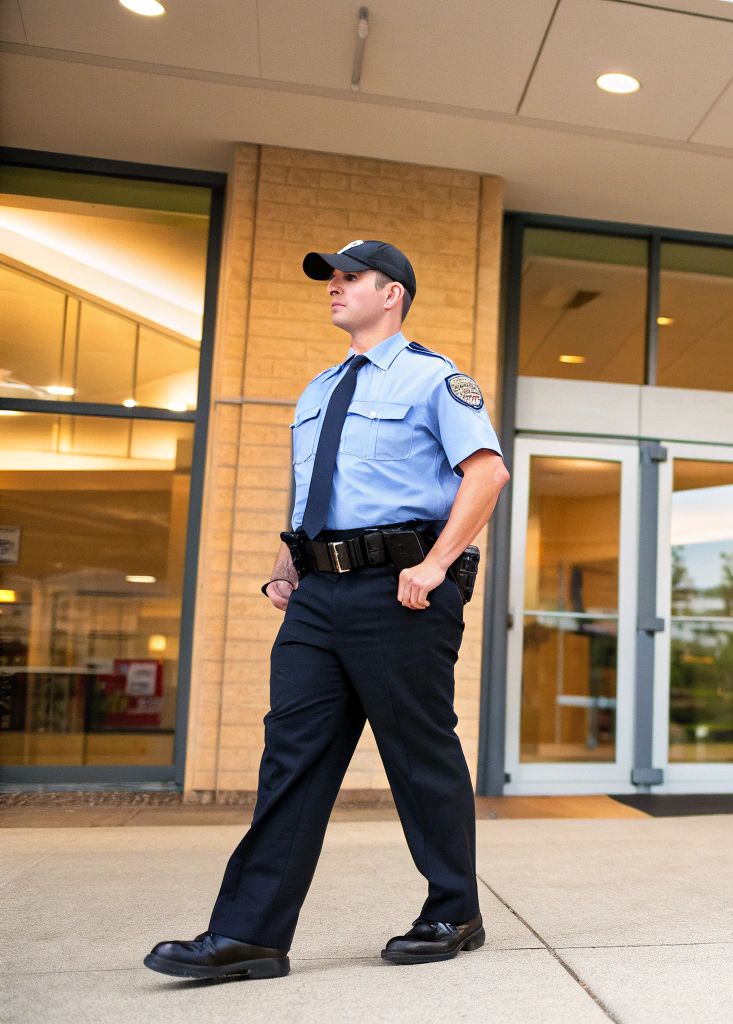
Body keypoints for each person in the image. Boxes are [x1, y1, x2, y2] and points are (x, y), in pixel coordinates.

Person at [144, 240, 510, 980]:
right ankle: (249, 934)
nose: (334, 289)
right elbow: (321, 492)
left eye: (350, 279)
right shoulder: (317, 390)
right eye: (331, 280)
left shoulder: (434, 379)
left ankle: (454, 908)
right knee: (292, 758)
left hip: (400, 590)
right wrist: (292, 561)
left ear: (393, 293)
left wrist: (436, 565)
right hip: (318, 595)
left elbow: (488, 472)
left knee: (417, 753)